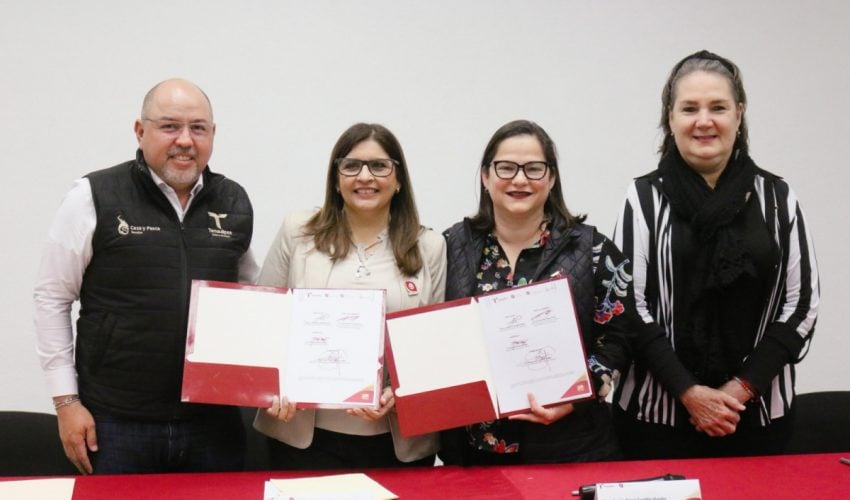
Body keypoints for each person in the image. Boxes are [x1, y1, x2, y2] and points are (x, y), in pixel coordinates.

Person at [33, 79, 257, 474]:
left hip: (214, 426)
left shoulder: (233, 201)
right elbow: (52, 298)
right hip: (116, 424)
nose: (185, 140)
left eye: (198, 128)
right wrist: (66, 403)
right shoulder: (94, 196)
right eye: (170, 126)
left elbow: (252, 299)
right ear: (140, 131)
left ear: (213, 134)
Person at [612, 50, 820, 459]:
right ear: (670, 119)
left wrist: (739, 390)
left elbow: (802, 306)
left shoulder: (778, 199)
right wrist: (690, 393)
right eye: (689, 108)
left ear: (739, 115)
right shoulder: (642, 199)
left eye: (718, 107)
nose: (703, 121)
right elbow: (627, 307)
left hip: (757, 417)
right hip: (656, 421)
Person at [440, 119, 635, 465]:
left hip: (572, 447)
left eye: (533, 168)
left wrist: (573, 397)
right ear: (485, 176)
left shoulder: (593, 250)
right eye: (506, 168)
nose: (519, 180)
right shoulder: (450, 246)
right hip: (474, 453)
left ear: (551, 178)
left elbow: (618, 338)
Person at [253, 123, 446, 469]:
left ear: (399, 179)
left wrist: (400, 393)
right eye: (352, 166)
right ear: (336, 178)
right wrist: (269, 389)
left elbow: (433, 348)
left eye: (379, 166)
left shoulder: (429, 245)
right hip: (302, 438)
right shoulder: (298, 232)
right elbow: (264, 321)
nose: (365, 177)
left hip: (396, 443)